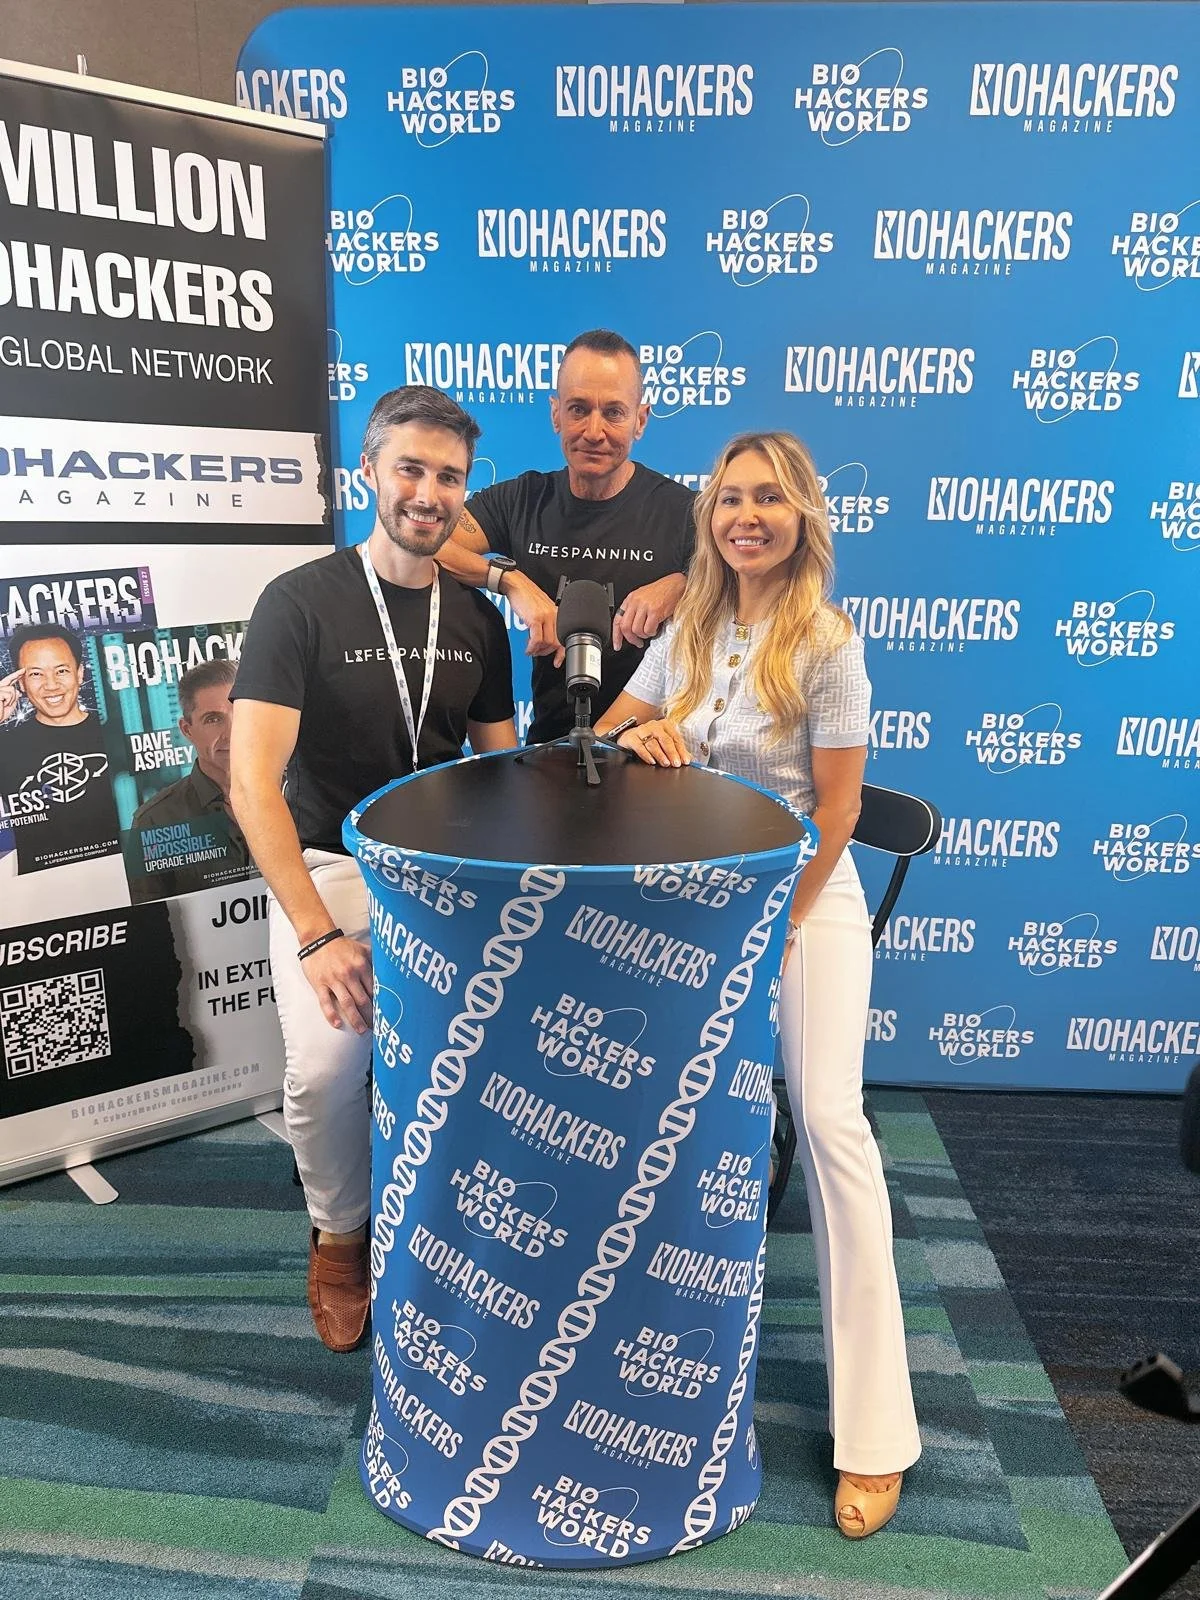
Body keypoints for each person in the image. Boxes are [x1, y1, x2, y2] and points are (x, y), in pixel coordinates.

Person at [595, 431, 920, 1538]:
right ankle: (634, 1378)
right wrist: (645, 731)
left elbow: (836, 811)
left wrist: (778, 922)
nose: (747, 515)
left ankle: (877, 1435)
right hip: (686, 903)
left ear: (802, 517)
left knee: (829, 1121)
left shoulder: (829, 641)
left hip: (801, 901)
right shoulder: (689, 619)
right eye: (730, 498)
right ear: (711, 517)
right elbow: (604, 733)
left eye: (769, 498)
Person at [229, 386, 517, 1353]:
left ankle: (459, 1235)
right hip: (333, 871)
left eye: (448, 476)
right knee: (324, 1067)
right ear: (370, 472)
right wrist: (315, 935)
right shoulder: (299, 602)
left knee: (493, 1060)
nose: (428, 492)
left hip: (445, 876)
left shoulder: (476, 619)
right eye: (411, 469)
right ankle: (341, 1236)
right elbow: (251, 783)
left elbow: (498, 773)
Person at [436, 328, 696, 743]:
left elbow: (750, 582)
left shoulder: (684, 511)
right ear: (556, 414)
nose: (594, 431)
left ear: (641, 420)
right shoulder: (523, 498)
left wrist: (684, 585)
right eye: (578, 409)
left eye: (614, 412)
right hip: (550, 748)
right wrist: (510, 581)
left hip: (655, 753)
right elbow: (431, 544)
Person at [0, 623, 120, 874]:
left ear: (80, 674)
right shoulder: (5, 746)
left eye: (61, 670)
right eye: (35, 674)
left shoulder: (117, 733)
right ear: (20, 683)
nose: (51, 685)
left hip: (129, 892)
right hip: (47, 900)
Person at [129, 658, 250, 900]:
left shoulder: (297, 794)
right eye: (213, 719)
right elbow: (152, 921)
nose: (232, 732)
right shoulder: (154, 821)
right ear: (187, 730)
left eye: (242, 713)